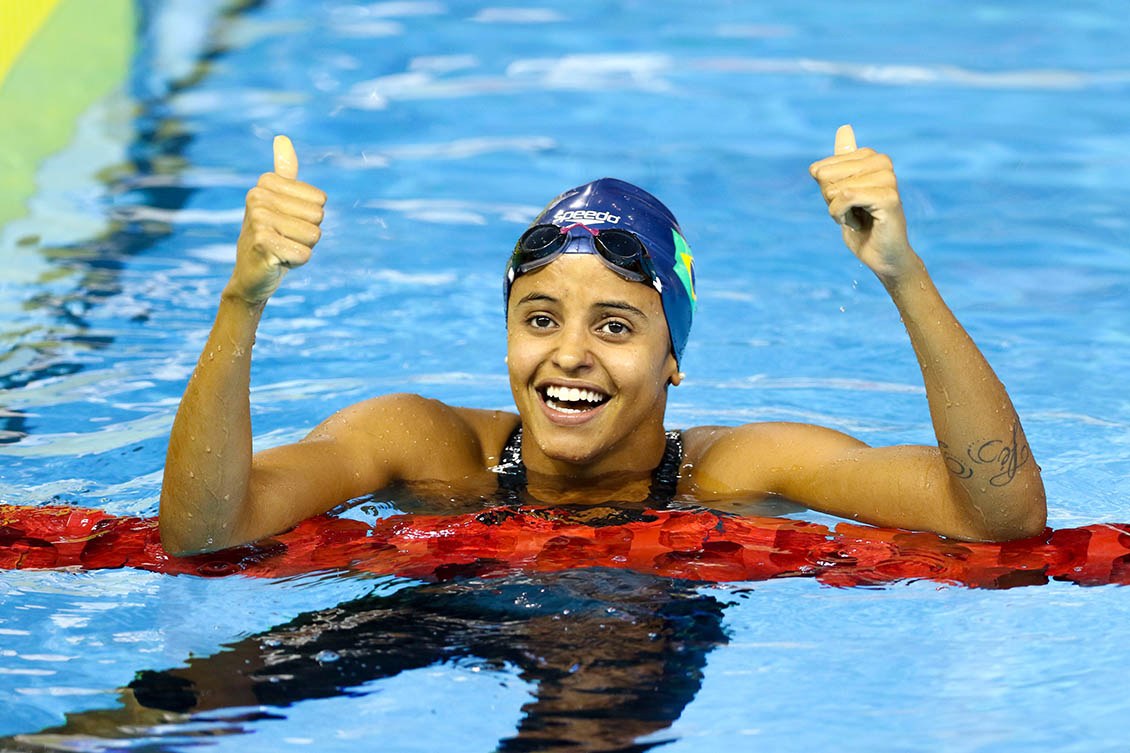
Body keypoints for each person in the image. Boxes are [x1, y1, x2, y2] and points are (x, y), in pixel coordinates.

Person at [159, 125, 1046, 556]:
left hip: (653, 637)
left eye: (614, 325)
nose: (570, 354)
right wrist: (243, 299)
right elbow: (203, 533)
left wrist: (902, 272)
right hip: (442, 627)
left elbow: (998, 518)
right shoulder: (419, 443)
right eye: (539, 318)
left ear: (673, 358)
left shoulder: (738, 470)